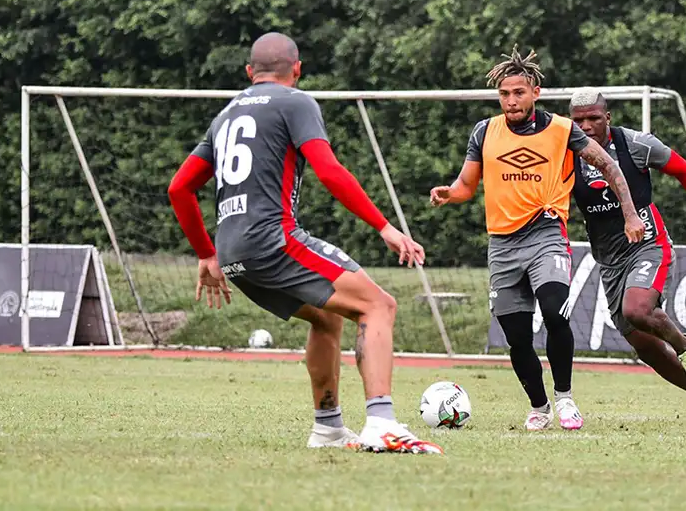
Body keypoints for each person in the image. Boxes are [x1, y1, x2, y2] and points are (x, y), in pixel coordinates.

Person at [167, 32, 443, 454]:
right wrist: (384, 226)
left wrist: (206, 253)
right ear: (297, 68)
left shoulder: (225, 115)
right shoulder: (296, 101)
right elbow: (329, 171)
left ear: (249, 72)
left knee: (327, 318)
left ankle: (328, 428)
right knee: (378, 305)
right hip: (272, 240)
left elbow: (179, 188)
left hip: (233, 251)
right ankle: (382, 423)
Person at [430, 47, 647, 431]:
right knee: (516, 337)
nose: (511, 100)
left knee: (553, 310)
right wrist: (449, 193)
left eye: (518, 92)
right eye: (504, 94)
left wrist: (630, 213)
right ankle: (539, 406)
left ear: (536, 93)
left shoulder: (562, 130)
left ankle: (565, 398)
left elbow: (609, 166)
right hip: (502, 244)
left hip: (546, 233)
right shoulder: (484, 131)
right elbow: (466, 185)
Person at [567, 87, 686, 425]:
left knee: (638, 309)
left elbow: (685, 172)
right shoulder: (564, 152)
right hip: (609, 260)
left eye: (594, 119)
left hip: (648, 244)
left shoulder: (637, 144)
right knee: (645, 346)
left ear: (608, 118)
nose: (586, 126)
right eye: (578, 120)